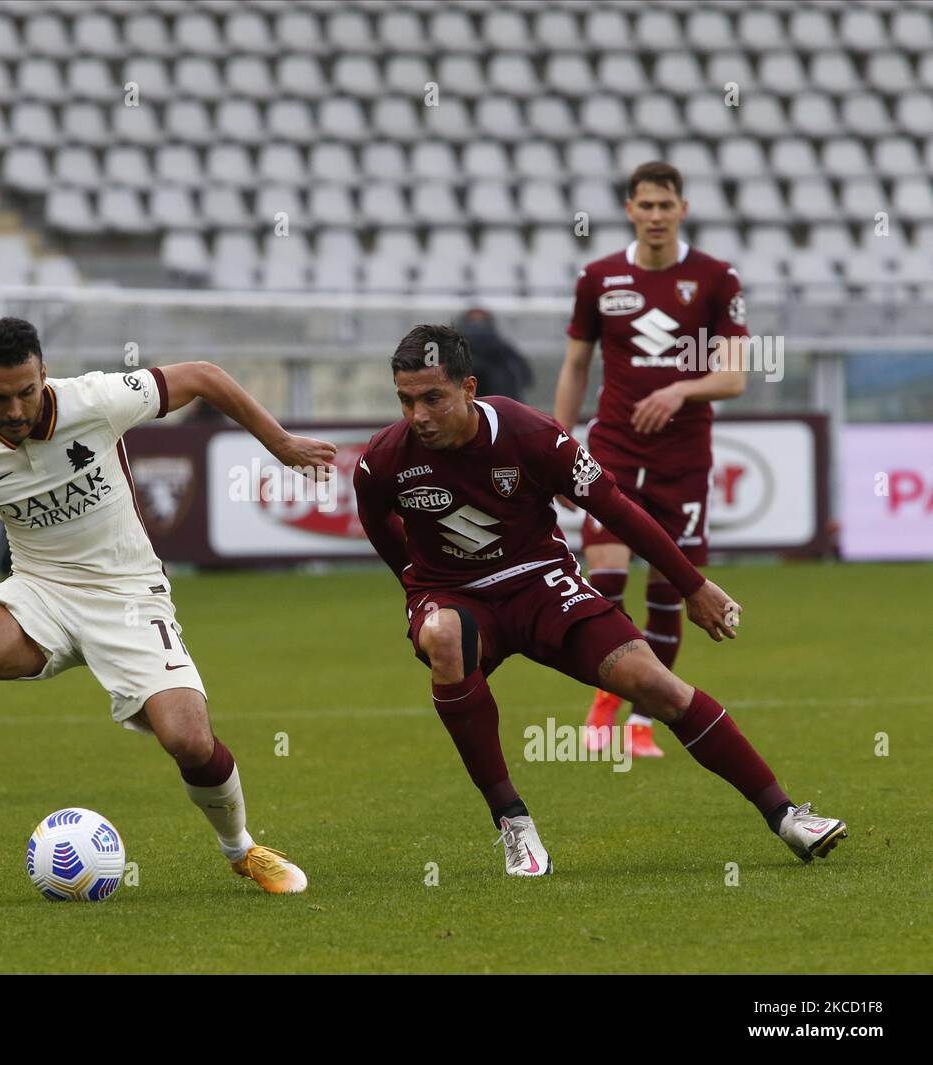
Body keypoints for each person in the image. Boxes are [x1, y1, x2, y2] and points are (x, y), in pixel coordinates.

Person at [0, 318, 337, 894]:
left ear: (44, 375)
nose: (15, 409)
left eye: (27, 391)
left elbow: (204, 377)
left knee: (188, 739)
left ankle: (242, 850)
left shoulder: (98, 400)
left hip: (128, 593)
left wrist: (280, 443)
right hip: (39, 589)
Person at [352, 324, 845, 876]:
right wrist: (417, 591)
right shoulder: (384, 459)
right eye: (406, 400)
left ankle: (785, 815)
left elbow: (616, 509)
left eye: (432, 398)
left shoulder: (532, 435)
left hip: (541, 585)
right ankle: (513, 822)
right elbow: (375, 521)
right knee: (445, 636)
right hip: (456, 597)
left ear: (468, 388)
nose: (418, 415)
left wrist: (693, 585)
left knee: (658, 686)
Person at [554, 161, 748, 757]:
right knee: (605, 579)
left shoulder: (717, 279)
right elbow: (576, 365)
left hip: (683, 460)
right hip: (613, 449)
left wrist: (680, 389)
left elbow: (735, 377)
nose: (657, 216)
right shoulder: (599, 278)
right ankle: (603, 707)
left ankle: (642, 722)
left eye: (667, 205)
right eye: (647, 205)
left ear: (683, 209)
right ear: (631, 210)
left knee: (670, 592)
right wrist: (558, 443)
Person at [457, 307, 532, 403]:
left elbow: (525, 376)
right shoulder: (504, 348)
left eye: (481, 322)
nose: (476, 328)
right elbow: (526, 377)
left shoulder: (504, 350)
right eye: (472, 322)